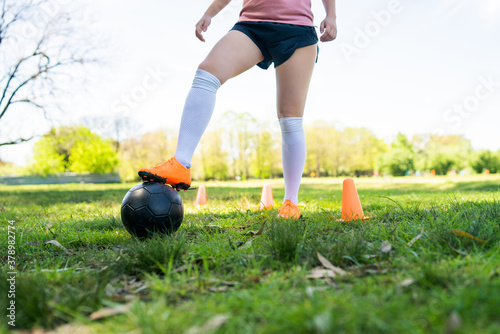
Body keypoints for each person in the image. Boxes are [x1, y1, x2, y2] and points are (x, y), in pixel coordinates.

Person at [139, 0, 337, 219]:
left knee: (290, 118)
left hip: (297, 31)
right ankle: (180, 164)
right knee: (206, 74)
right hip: (252, 26)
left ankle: (291, 202)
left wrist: (331, 15)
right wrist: (209, 14)